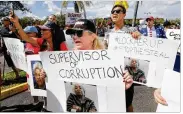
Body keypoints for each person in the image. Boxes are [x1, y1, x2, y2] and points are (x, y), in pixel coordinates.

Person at [66, 19, 134, 112]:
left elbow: (124, 104)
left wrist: (124, 89)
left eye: (79, 33)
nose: (74, 37)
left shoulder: (109, 62)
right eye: (72, 34)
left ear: (93, 36)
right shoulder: (66, 62)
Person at [103, 4, 141, 112]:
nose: (114, 13)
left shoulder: (131, 30)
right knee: (112, 103)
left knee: (127, 104)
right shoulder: (108, 33)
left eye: (118, 11)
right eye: (113, 11)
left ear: (124, 14)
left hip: (126, 74)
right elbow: (104, 51)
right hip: (111, 73)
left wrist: (139, 36)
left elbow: (142, 47)